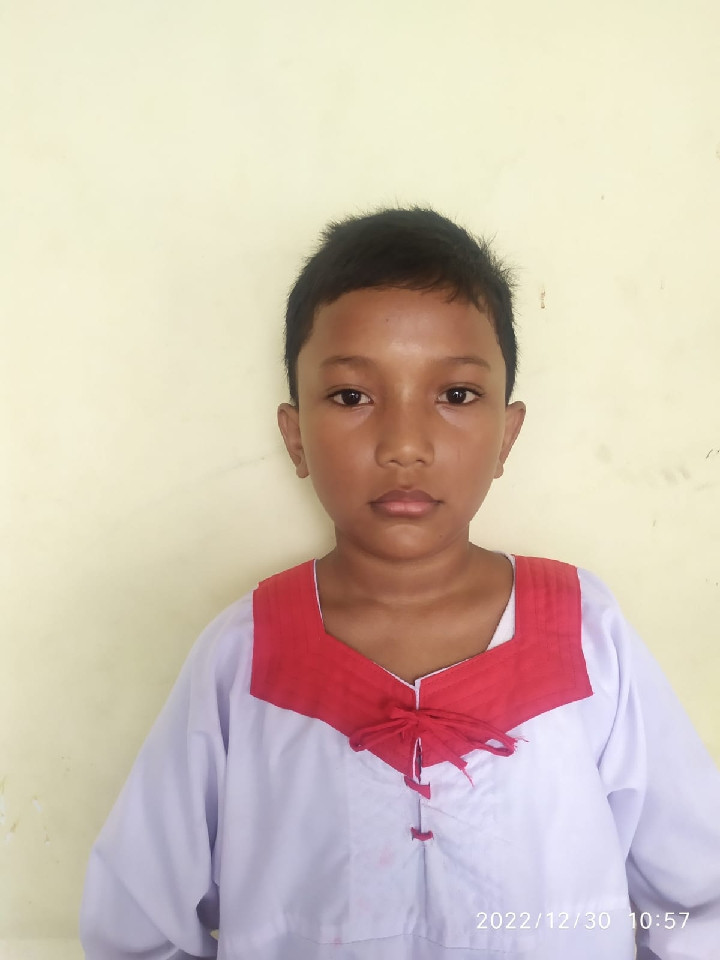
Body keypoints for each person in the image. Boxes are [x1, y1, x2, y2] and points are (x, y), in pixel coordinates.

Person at [79, 208, 720, 959]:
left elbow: (698, 900)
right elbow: (138, 925)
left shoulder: (586, 637)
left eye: (457, 395)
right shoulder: (244, 660)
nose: (405, 445)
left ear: (507, 434)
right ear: (295, 436)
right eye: (352, 397)